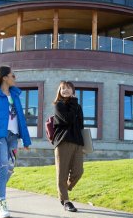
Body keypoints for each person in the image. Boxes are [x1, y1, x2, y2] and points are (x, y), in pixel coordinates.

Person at [0, 65, 31, 218]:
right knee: (2, 166)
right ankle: (1, 202)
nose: (14, 78)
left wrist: (26, 140)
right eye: (12, 75)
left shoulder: (15, 95)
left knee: (10, 167)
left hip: (14, 137)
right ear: (4, 77)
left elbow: (21, 119)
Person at [52, 81, 84, 212]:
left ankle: (64, 189)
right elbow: (68, 119)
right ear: (59, 91)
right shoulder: (59, 105)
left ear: (73, 90)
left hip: (77, 142)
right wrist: (73, 104)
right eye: (62, 88)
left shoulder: (77, 106)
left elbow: (80, 124)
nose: (65, 90)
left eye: (68, 88)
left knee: (78, 171)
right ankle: (66, 200)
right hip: (63, 142)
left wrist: (75, 105)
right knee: (62, 173)